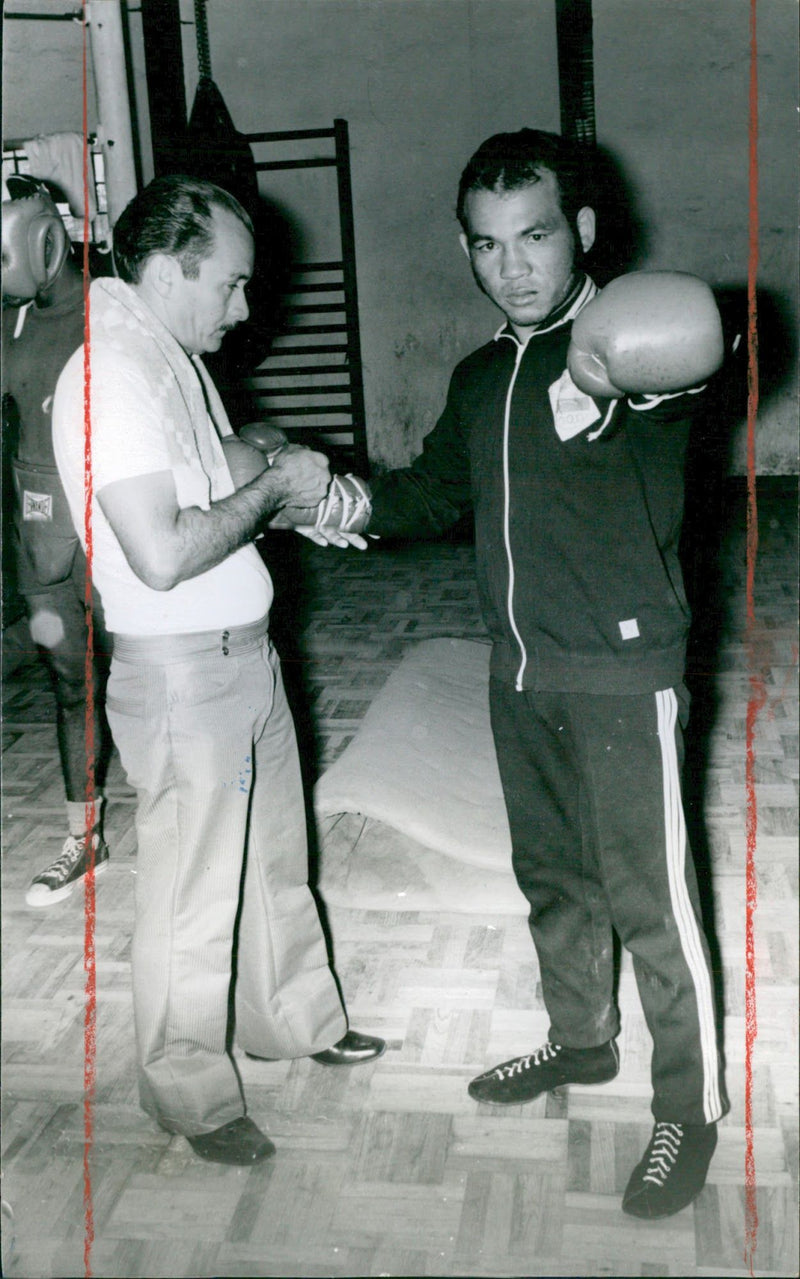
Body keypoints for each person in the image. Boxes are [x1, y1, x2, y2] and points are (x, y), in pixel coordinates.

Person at [281, 128, 730, 1219]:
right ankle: (579, 1040)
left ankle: (691, 1105)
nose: (512, 266)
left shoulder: (628, 352)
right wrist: (339, 503)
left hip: (624, 671)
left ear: (579, 231)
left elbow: (691, 345)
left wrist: (613, 366)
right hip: (519, 668)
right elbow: (434, 492)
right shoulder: (483, 373)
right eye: (485, 246)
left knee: (650, 899)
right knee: (554, 880)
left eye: (534, 236)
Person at [51, 174, 384, 1167]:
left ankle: (294, 1020)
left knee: (275, 862)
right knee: (193, 896)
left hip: (244, 656)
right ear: (163, 272)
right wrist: (274, 483)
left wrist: (286, 487)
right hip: (180, 676)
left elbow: (212, 474)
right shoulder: (109, 374)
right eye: (230, 286)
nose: (245, 309)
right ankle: (188, 1093)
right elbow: (160, 550)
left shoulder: (167, 353)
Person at [2, 177, 114, 906]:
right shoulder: (8, 320)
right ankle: (86, 836)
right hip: (41, 528)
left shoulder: (116, 304)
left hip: (116, 519)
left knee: (146, 676)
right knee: (70, 681)